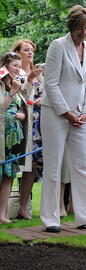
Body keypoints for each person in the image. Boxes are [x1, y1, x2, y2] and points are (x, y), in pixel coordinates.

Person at [40, 5, 86, 233]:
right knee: (53, 166)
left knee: (81, 165)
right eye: (79, 30)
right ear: (71, 28)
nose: (83, 33)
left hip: (81, 115)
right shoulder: (58, 46)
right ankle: (51, 218)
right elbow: (51, 83)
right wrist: (66, 112)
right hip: (56, 113)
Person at [12, 39, 44, 219]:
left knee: (32, 166)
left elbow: (46, 93)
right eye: (26, 50)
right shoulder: (15, 71)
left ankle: (23, 206)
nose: (30, 53)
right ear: (18, 52)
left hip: (38, 123)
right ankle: (9, 204)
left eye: (32, 50)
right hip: (21, 122)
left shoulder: (38, 73)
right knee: (17, 164)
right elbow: (17, 94)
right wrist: (29, 81)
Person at [0, 52, 30, 223]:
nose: (19, 69)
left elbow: (21, 108)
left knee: (9, 175)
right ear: (5, 66)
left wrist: (22, 116)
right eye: (15, 66)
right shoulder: (3, 84)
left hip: (14, 138)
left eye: (19, 66)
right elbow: (1, 108)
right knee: (0, 172)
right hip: (2, 137)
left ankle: (2, 214)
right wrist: (12, 92)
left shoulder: (16, 84)